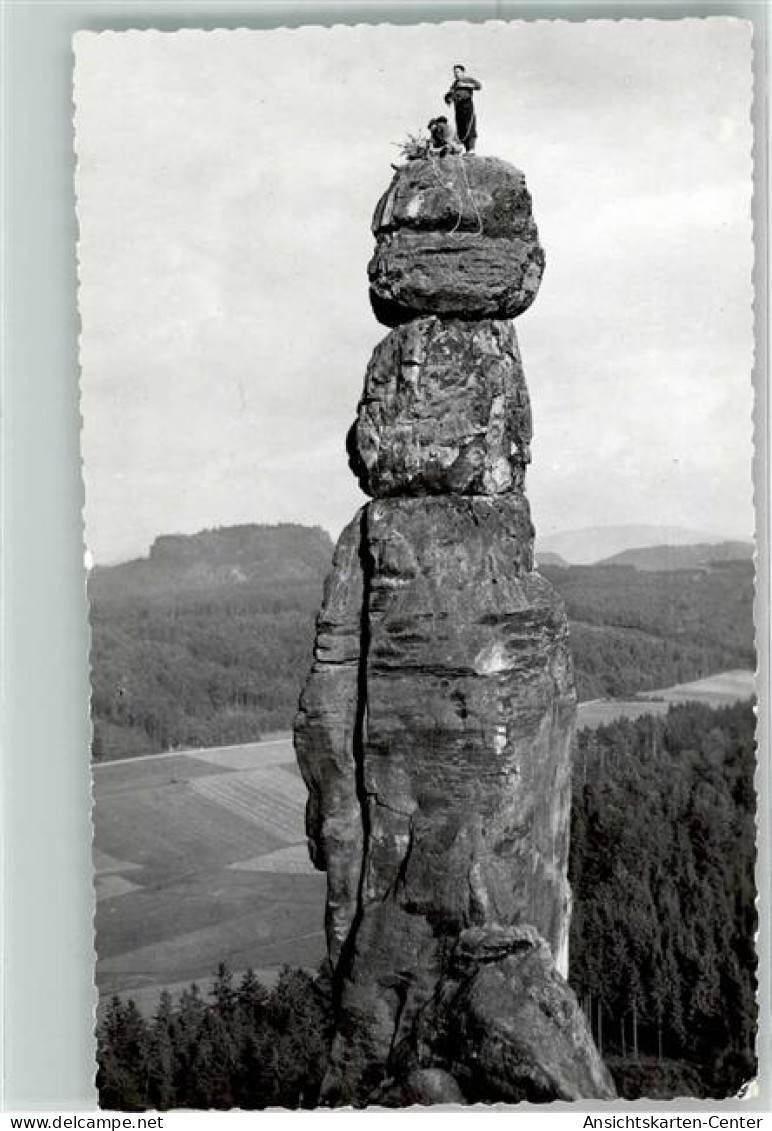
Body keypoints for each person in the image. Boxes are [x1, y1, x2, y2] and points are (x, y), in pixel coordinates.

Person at [444, 64, 482, 152]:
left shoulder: (468, 79)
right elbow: (449, 94)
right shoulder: (454, 84)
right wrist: (448, 99)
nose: (456, 74)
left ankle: (472, 149)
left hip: (467, 105)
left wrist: (465, 85)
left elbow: (479, 86)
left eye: (458, 72)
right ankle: (467, 150)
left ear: (463, 72)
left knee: (469, 126)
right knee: (461, 128)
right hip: (458, 107)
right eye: (455, 73)